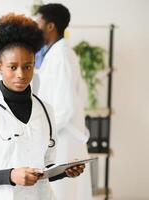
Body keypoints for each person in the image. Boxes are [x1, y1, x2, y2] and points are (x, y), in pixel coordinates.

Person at [0, 13, 85, 200]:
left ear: (34, 65)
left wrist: (64, 171)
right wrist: (11, 175)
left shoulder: (46, 110)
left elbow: (44, 167)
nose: (21, 74)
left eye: (27, 66)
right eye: (13, 67)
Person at [36, 4, 93, 200]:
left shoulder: (61, 56)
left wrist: (43, 131)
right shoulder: (55, 53)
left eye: (38, 22)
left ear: (50, 26)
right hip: (60, 136)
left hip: (63, 137)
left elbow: (65, 106)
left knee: (64, 193)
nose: (36, 27)